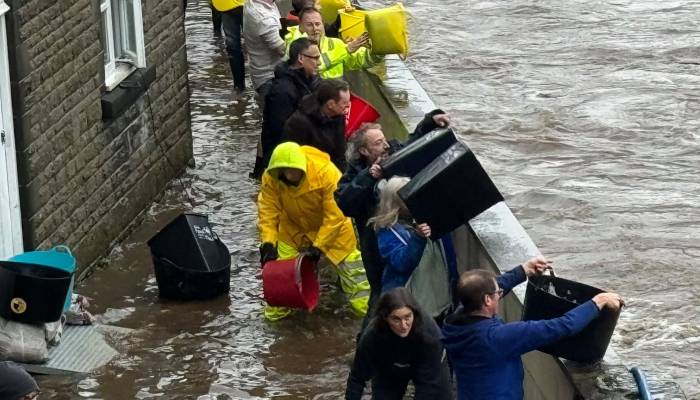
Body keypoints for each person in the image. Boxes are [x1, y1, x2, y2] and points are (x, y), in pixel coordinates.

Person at [441, 257, 625, 400]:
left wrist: (523, 271)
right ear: (487, 300)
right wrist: (597, 302)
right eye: (497, 293)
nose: (500, 294)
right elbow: (562, 326)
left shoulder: (453, 323)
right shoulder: (499, 337)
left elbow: (491, 286)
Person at [334, 111, 451, 316]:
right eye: (378, 143)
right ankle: (371, 340)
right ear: (364, 151)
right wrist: (368, 177)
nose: (386, 146)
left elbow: (414, 144)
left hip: (412, 237)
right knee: (381, 296)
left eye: (384, 140)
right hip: (376, 247)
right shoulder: (355, 174)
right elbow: (345, 203)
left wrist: (429, 122)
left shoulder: (395, 152)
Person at [257, 142, 370, 320]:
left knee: (355, 274)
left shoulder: (326, 173)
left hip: (334, 230)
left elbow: (336, 215)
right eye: (285, 171)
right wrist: (268, 243)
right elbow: (268, 211)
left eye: (294, 171)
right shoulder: (271, 178)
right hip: (292, 229)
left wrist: (318, 247)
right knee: (279, 277)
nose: (290, 175)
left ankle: (367, 316)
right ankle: (276, 320)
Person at [368, 176, 457, 318]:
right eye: (407, 198)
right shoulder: (387, 231)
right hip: (411, 303)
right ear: (395, 204)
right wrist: (418, 237)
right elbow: (401, 263)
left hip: (440, 298)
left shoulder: (429, 218)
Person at [345, 287, 452, 400]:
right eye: (396, 319)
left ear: (414, 314)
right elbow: (357, 378)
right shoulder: (372, 336)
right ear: (385, 318)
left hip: (427, 365)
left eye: (407, 317)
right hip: (390, 366)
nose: (404, 325)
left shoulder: (430, 335)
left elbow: (428, 389)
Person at [251, 38, 321, 178]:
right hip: (286, 161)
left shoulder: (309, 82)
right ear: (301, 59)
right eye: (316, 58)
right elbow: (281, 131)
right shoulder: (283, 91)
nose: (319, 62)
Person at [285, 7, 380, 79]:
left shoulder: (335, 43)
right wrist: (346, 50)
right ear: (300, 26)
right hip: (312, 97)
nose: (315, 29)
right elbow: (311, 66)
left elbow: (360, 61)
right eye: (309, 25)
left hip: (335, 97)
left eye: (318, 24)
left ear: (323, 24)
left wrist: (378, 50)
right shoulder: (294, 44)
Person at [283, 78, 350, 171]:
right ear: (330, 104)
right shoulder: (298, 123)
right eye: (345, 103)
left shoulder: (338, 117)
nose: (348, 106)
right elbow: (294, 160)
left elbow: (339, 152)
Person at [242, 0, 286, 102]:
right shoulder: (263, 18)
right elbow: (284, 51)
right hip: (270, 79)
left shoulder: (259, 3)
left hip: (260, 73)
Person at [212, 0, 246, 90]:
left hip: (233, 6)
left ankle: (240, 88)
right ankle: (239, 87)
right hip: (227, 5)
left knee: (234, 46)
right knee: (233, 47)